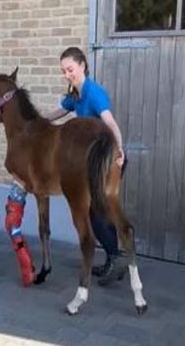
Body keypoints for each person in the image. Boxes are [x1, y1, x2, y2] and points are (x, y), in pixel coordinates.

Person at [48, 47, 127, 285]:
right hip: (93, 160)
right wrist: (38, 120)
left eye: (70, 69)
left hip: (108, 158)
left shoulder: (94, 93)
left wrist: (119, 151)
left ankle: (116, 258)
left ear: (82, 65)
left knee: (95, 213)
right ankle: (114, 259)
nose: (67, 74)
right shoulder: (75, 95)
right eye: (63, 71)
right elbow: (59, 112)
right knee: (98, 212)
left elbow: (111, 123)